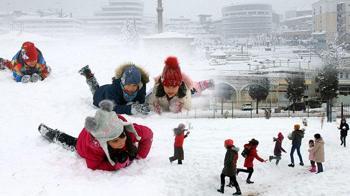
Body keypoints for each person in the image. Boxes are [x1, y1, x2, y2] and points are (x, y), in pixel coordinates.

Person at [38, 100, 153, 171]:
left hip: (101, 128)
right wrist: (115, 166)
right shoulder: (94, 149)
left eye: (122, 136)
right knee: (73, 144)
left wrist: (140, 155)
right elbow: (93, 165)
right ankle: (53, 135)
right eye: (115, 141)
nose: (121, 142)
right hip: (84, 143)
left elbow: (148, 134)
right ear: (105, 143)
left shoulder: (127, 130)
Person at [149, 56, 214, 114]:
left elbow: (187, 105)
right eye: (167, 86)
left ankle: (206, 83)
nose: (170, 89)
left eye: (174, 86)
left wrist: (180, 108)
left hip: (189, 89)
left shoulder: (185, 89)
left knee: (196, 88)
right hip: (162, 91)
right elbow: (152, 101)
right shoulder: (158, 87)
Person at [79, 63, 150, 115]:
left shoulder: (141, 87)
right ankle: (89, 76)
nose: (131, 88)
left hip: (112, 91)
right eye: (128, 85)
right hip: (101, 95)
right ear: (123, 82)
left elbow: (141, 100)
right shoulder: (113, 90)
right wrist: (130, 109)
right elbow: (113, 108)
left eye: (134, 85)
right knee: (95, 89)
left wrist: (141, 106)